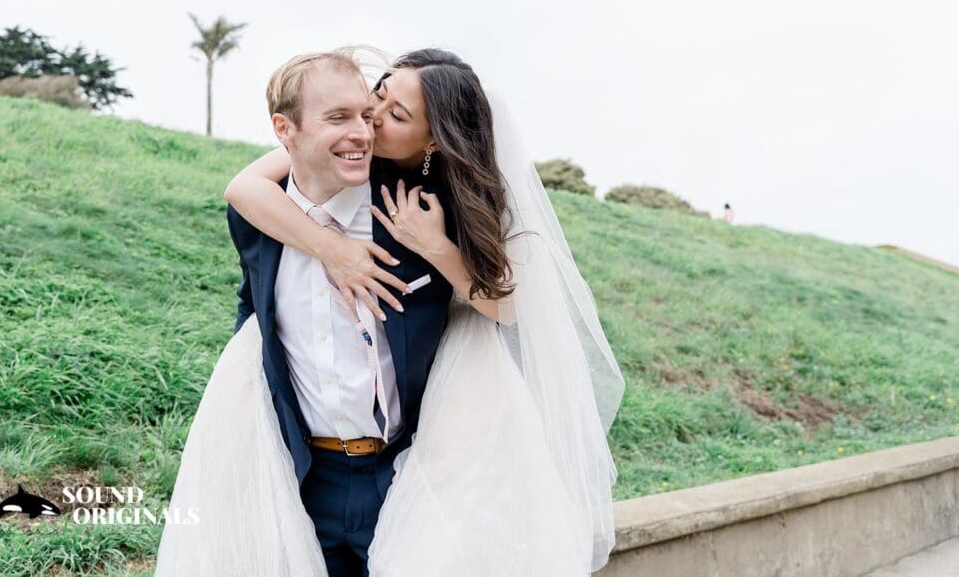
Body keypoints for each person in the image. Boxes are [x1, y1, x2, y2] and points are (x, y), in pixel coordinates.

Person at [157, 48, 625, 576]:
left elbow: (508, 304)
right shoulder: (272, 209)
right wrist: (332, 248)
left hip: (409, 473)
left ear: (431, 140)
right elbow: (242, 190)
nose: (372, 120)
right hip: (300, 472)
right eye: (375, 96)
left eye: (394, 115)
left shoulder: (429, 212)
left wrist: (436, 248)